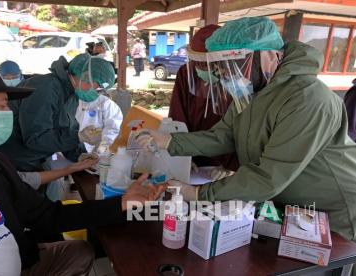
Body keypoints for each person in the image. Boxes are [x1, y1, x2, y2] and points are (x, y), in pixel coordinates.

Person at [0, 57, 165, 275]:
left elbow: (46, 215)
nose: (8, 115)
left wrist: (122, 203)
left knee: (79, 251)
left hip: (20, 261)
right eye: (0, 107)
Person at [138, 17, 356, 241]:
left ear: (270, 55)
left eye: (235, 64)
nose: (226, 75)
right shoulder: (253, 93)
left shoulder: (308, 99)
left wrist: (199, 193)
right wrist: (170, 141)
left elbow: (268, 177)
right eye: (221, 67)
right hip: (290, 207)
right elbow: (222, 136)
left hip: (337, 213)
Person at [0, 53, 115, 172]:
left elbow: (65, 129)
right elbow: (36, 138)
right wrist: (77, 137)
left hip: (37, 157)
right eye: (97, 86)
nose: (96, 91)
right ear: (85, 76)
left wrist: (79, 154)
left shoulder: (71, 92)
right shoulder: (45, 88)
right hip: (15, 161)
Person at [169, 24, 238, 174]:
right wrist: (184, 157)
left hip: (227, 160)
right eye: (198, 63)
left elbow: (240, 126)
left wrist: (232, 167)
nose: (202, 68)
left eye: (208, 64)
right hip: (191, 153)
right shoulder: (185, 73)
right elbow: (177, 116)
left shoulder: (236, 79)